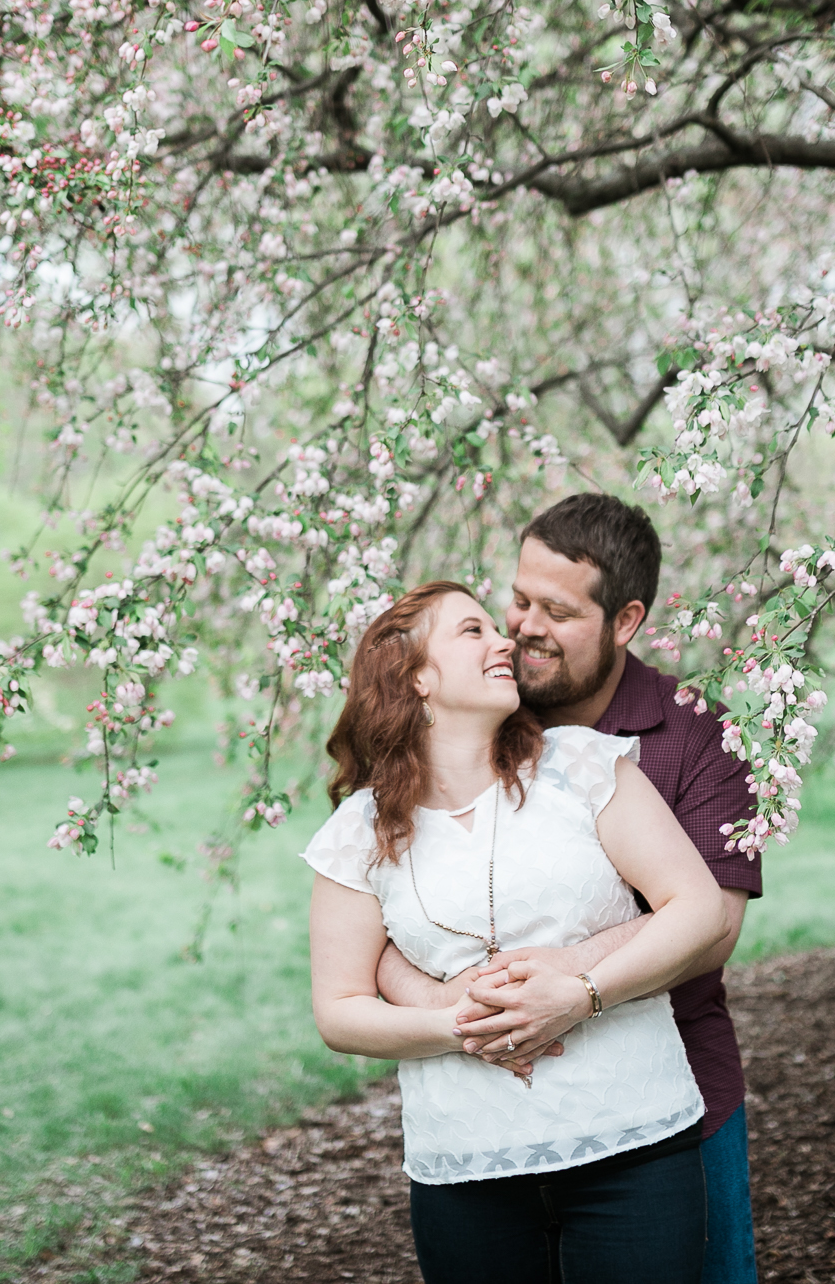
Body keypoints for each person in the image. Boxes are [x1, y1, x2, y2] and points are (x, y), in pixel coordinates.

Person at [375, 494, 763, 1284]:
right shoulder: (464, 723)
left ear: (625, 620)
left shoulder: (696, 736)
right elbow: (376, 915)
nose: (523, 626)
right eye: (517, 599)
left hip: (670, 1096)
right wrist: (470, 1011)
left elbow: (712, 923)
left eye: (556, 609)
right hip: (485, 1106)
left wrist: (565, 981)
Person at [304, 580, 728, 1284]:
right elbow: (339, 1009)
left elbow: (697, 905)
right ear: (415, 676)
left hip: (633, 1146)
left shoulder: (584, 764)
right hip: (466, 1166)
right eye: (473, 632)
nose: (506, 641)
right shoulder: (359, 832)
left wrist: (581, 992)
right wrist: (460, 1026)